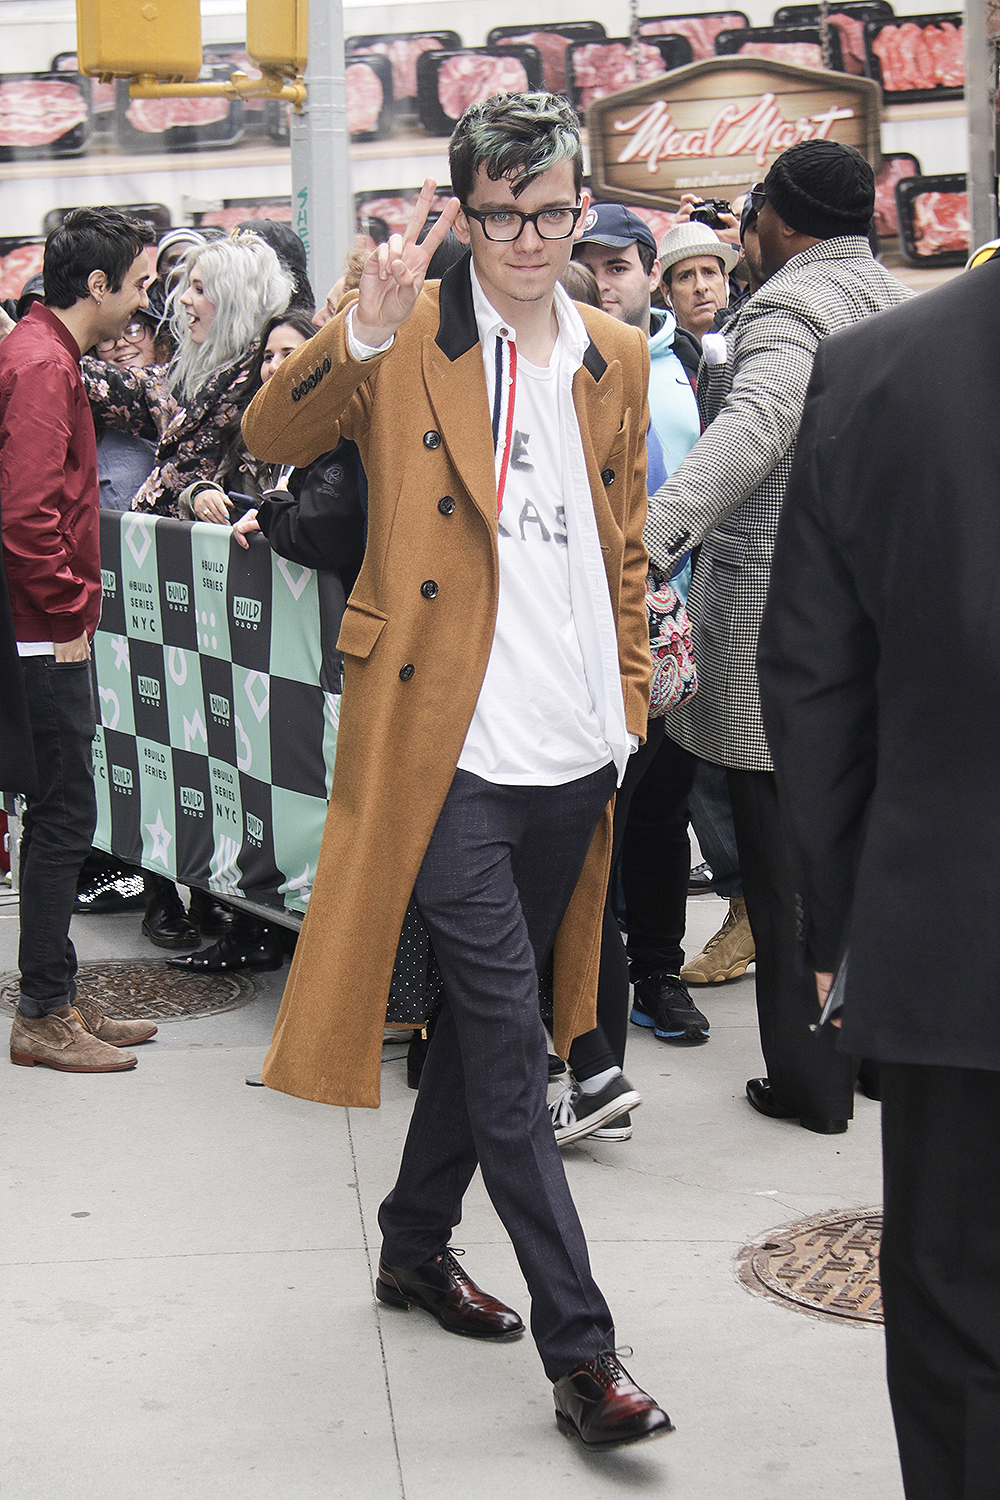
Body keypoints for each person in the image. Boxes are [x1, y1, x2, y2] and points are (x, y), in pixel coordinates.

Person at [243, 91, 671, 1448]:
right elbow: (272, 435)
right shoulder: (414, 337)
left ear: (580, 203)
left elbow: (620, 538)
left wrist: (627, 699)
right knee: (509, 1046)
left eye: (554, 212)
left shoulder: (615, 351)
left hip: (573, 752)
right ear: (466, 214)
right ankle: (584, 1355)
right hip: (446, 753)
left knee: (494, 1033)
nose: (532, 238)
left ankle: (414, 1244)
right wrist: (357, 327)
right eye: (502, 216)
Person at [756, 250, 1000, 1500]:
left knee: (960, 1321)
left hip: (949, 936)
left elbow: (808, 679)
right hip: (941, 934)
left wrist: (849, 916)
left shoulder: (873, 371)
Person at [644, 139, 911, 1134]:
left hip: (779, 636)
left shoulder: (789, 308)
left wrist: (651, 535)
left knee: (787, 875)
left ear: (781, 221)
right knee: (870, 860)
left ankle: (809, 1084)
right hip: (877, 627)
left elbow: (756, 423)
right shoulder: (893, 301)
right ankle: (882, 1057)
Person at [0, 208, 163, 1073]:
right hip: (42, 630)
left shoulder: (42, 354)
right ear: (95, 286)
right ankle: (43, 1013)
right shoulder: (38, 363)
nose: (143, 306)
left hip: (43, 622)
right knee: (64, 815)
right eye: (136, 287)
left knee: (62, 814)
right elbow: (27, 517)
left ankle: (54, 996)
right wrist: (69, 613)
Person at [83, 232, 293, 518]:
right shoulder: (201, 365)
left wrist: (198, 494)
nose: (183, 298)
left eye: (199, 289)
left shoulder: (262, 378)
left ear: (234, 301)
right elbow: (137, 391)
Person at [656, 222, 739, 343]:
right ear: (666, 292)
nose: (701, 286)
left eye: (709, 272)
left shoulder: (752, 340)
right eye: (685, 276)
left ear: (725, 281)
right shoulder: (655, 358)